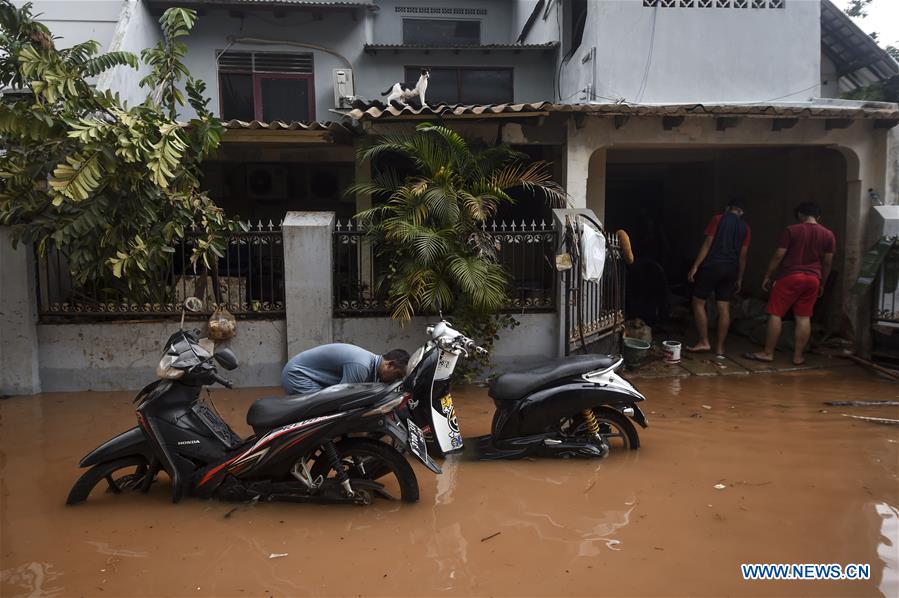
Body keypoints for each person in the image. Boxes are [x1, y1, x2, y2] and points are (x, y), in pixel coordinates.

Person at [745, 202, 835, 366]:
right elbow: (828, 262)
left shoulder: (792, 230)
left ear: (800, 215)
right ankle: (798, 356)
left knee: (776, 314)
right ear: (818, 217)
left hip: (790, 277)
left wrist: (768, 275)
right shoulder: (828, 234)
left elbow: (779, 255)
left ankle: (768, 353)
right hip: (813, 279)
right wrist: (822, 282)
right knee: (803, 317)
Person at [686, 197, 751, 357]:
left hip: (713, 266)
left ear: (728, 208)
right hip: (731, 269)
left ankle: (704, 341)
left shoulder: (718, 219)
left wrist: (695, 265)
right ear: (741, 212)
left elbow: (708, 243)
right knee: (724, 307)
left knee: (698, 302)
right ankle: (720, 348)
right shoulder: (745, 228)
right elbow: (743, 256)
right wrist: (740, 277)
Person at [281, 343, 410, 395]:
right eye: (397, 375)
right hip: (297, 375)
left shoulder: (370, 365)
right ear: (389, 365)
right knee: (322, 412)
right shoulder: (362, 366)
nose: (395, 380)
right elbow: (341, 397)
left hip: (304, 374)